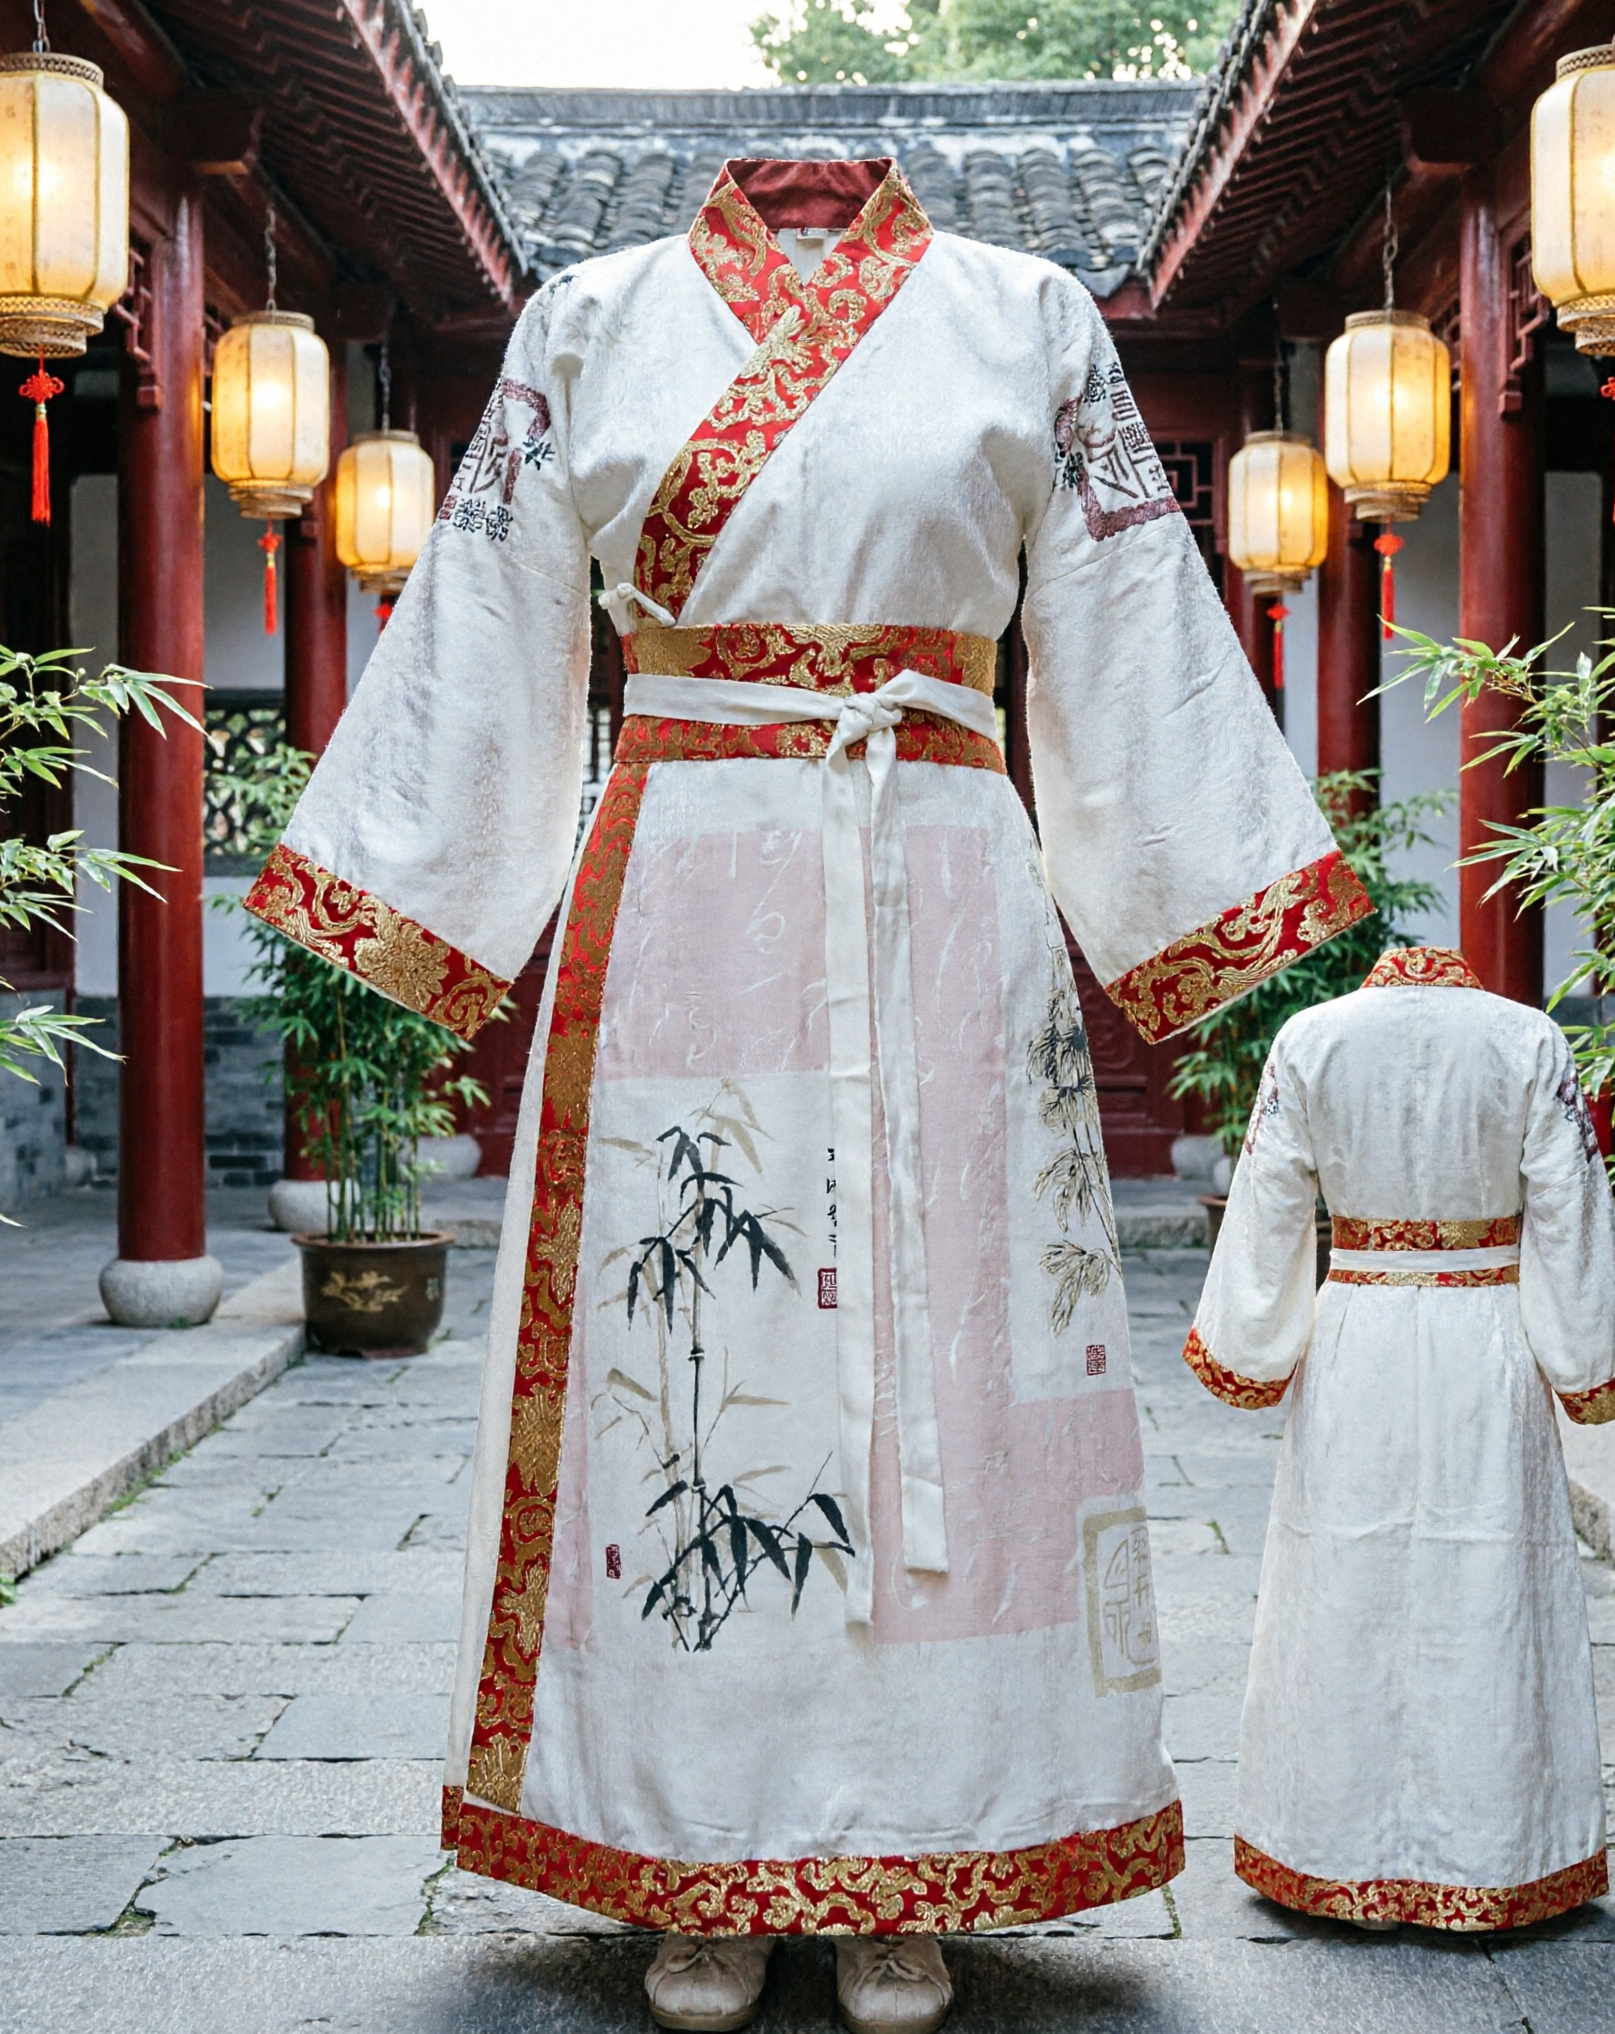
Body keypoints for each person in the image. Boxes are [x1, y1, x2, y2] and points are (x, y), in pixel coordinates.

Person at [246, 156, 1368, 2031]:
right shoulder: (589, 322)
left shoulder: (1026, 317)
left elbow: (1128, 612)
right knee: (696, 1363)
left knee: (956, 1362)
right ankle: (691, 1848)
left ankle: (923, 1847)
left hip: (940, 871)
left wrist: (1199, 894)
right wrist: (418, 883)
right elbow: (491, 609)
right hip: (683, 878)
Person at [1182, 944, 1615, 1933]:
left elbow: (1269, 1200)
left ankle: (1328, 1847)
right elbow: (1570, 1208)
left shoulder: (1310, 1039)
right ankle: (1493, 1854)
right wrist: (1592, 1354)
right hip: (1486, 1334)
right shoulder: (1527, 1040)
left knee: (1342, 1582)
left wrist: (1247, 1342)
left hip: (1357, 1328)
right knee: (1488, 1588)